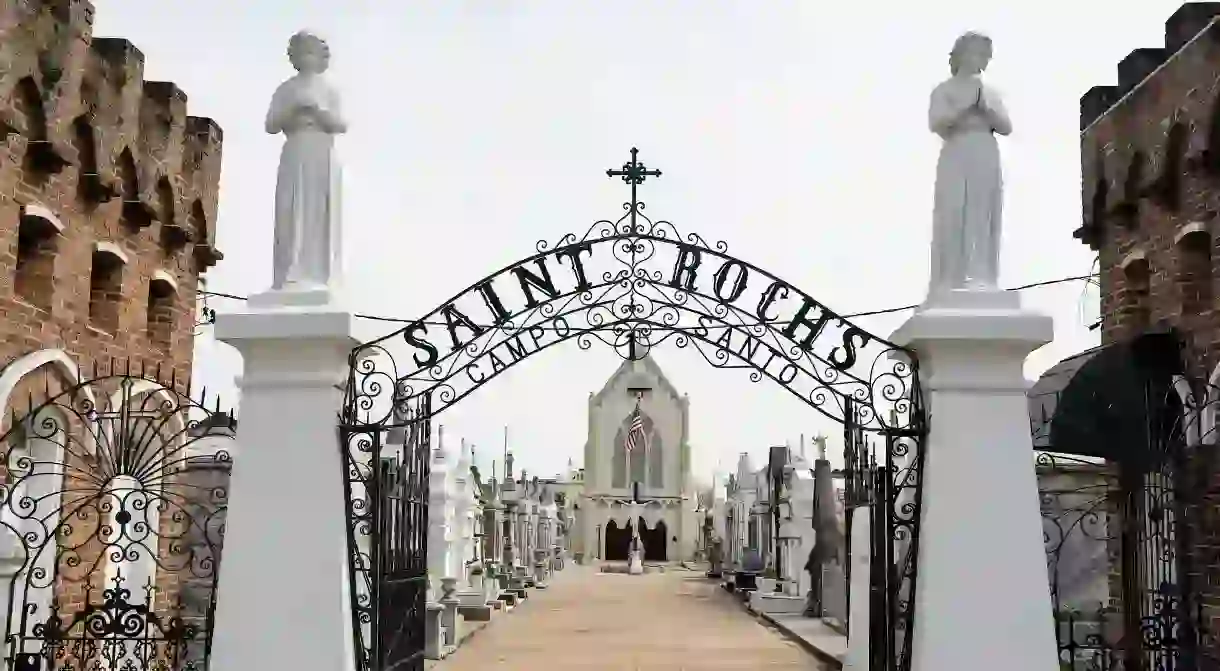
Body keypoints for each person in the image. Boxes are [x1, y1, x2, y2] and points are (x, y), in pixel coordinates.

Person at [926, 31, 1011, 300]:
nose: (982, 61)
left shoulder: (990, 91)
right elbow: (937, 123)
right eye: (978, 54)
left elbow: (1006, 127)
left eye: (986, 57)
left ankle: (981, 275)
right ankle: (952, 276)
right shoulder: (944, 90)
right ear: (962, 54)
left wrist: (985, 107)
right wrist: (966, 106)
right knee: (955, 211)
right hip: (957, 150)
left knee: (982, 211)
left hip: (984, 150)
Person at [264, 30, 347, 292]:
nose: (304, 57)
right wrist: (294, 110)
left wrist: (316, 110)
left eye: (309, 51)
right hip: (295, 149)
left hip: (321, 151)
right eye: (299, 52)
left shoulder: (329, 89)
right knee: (290, 210)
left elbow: (340, 124)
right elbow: (271, 125)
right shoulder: (286, 88)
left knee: (316, 211)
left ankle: (318, 274)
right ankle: (288, 273)